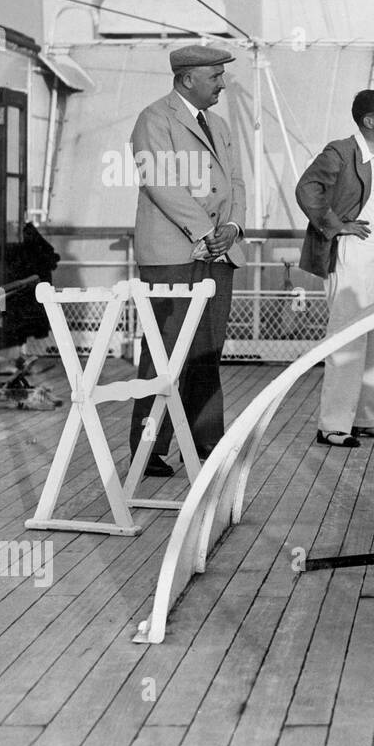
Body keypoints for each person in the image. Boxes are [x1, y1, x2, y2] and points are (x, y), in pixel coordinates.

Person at [129, 44, 246, 478]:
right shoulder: (154, 119)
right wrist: (204, 231)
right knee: (162, 352)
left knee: (207, 352)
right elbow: (161, 184)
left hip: (218, 254)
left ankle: (206, 441)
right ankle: (149, 449)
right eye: (215, 77)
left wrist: (232, 228)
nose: (222, 84)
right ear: (187, 79)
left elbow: (236, 183)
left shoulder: (219, 125)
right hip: (172, 256)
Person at [295, 89, 374, 448]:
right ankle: (333, 425)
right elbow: (307, 188)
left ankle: (367, 418)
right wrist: (335, 224)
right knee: (347, 337)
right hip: (353, 255)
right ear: (368, 121)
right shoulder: (340, 151)